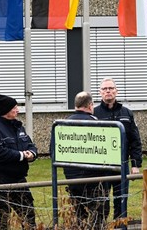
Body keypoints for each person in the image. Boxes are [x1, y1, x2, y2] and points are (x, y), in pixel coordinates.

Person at [0, 94, 37, 230]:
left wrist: (32, 154)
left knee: (28, 215)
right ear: (6, 111)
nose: (18, 110)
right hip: (1, 179)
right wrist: (22, 155)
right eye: (15, 108)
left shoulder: (18, 127)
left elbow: (30, 145)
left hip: (19, 178)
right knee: (3, 217)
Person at [93, 78, 142, 221]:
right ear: (100, 93)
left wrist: (135, 164)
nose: (108, 91)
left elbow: (135, 140)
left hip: (122, 164)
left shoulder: (126, 113)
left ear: (116, 91)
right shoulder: (94, 114)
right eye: (104, 89)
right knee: (101, 202)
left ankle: (121, 226)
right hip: (101, 166)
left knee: (121, 201)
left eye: (111, 88)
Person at [62, 91, 109, 229]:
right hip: (94, 179)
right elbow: (104, 150)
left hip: (72, 179)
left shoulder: (63, 124)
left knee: (79, 215)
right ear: (90, 105)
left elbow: (55, 151)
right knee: (99, 214)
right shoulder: (96, 123)